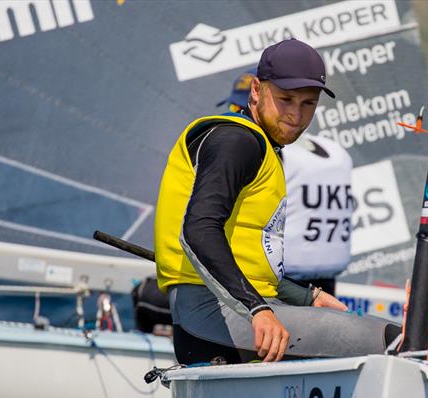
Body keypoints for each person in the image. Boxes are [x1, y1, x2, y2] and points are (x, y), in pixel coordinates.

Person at [154, 39, 400, 365]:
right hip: (211, 315)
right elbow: (197, 231)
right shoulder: (237, 141)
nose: (296, 116)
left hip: (239, 309)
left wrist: (306, 296)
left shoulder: (266, 148)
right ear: (256, 90)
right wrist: (258, 310)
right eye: (285, 99)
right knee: (398, 342)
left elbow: (249, 261)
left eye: (308, 104)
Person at [218, 70, 354, 296]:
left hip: (280, 277)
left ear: (258, 97)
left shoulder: (264, 149)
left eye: (238, 110)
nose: (238, 117)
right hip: (326, 277)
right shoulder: (334, 151)